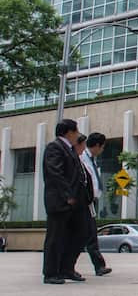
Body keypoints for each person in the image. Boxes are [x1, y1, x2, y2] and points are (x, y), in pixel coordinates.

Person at [42, 119, 87, 284]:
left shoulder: (70, 149)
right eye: (76, 132)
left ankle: (67, 268)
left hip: (74, 202)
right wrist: (67, 195)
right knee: (56, 237)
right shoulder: (54, 147)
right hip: (60, 201)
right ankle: (51, 273)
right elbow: (55, 173)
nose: (77, 135)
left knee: (80, 234)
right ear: (69, 132)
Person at [79, 133, 112, 276]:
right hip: (84, 201)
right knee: (88, 234)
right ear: (97, 145)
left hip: (91, 201)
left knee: (90, 233)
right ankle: (67, 266)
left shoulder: (92, 159)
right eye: (102, 147)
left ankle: (99, 266)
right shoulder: (82, 158)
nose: (102, 150)